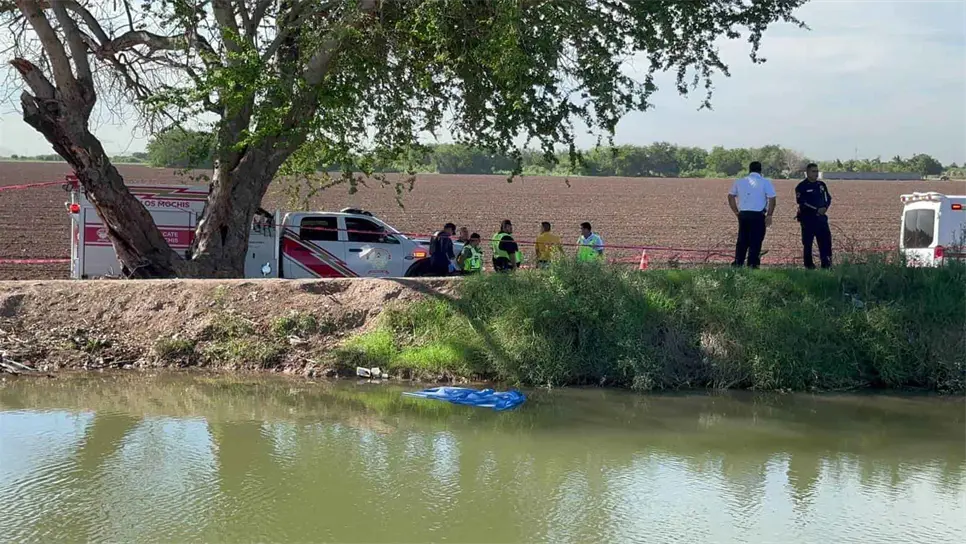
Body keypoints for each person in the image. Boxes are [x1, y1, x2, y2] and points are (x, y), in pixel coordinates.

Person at [728, 161, 777, 268]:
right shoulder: (765, 182)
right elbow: (772, 199)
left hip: (743, 214)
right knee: (756, 239)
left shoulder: (740, 181)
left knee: (742, 239)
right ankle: (752, 264)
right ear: (760, 170)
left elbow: (731, 196)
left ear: (749, 170)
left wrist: (736, 212)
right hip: (758, 215)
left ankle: (738, 262)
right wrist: (769, 215)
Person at [795, 163, 833, 269]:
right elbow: (801, 201)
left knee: (825, 243)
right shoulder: (801, 186)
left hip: (821, 219)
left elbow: (828, 198)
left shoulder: (821, 185)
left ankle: (826, 265)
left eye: (817, 171)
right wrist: (816, 209)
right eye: (813, 171)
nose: (816, 174)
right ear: (807, 173)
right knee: (808, 244)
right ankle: (809, 266)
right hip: (808, 220)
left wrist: (825, 207)